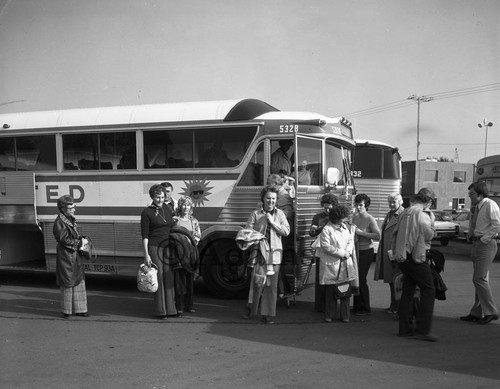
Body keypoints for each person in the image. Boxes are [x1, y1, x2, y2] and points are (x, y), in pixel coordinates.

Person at [392, 187, 438, 341]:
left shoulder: (406, 211)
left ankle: (404, 328)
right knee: (429, 289)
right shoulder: (423, 213)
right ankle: (423, 329)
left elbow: (396, 233)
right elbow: (428, 234)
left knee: (408, 291)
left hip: (402, 255)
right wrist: (433, 225)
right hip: (416, 255)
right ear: (428, 201)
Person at [245, 185, 290, 324]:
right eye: (268, 198)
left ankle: (267, 314)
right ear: (263, 199)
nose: (271, 201)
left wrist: (272, 222)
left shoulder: (280, 214)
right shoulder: (255, 214)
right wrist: (258, 237)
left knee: (271, 285)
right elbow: (247, 231)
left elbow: (286, 231)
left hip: (275, 255)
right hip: (259, 253)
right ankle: (251, 308)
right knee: (258, 282)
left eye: (274, 199)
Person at [460, 181, 500, 324]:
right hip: (477, 243)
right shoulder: (476, 206)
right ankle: (477, 312)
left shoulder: (490, 205)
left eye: (472, 194)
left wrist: (483, 239)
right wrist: (472, 235)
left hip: (486, 244)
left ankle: (491, 312)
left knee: (479, 279)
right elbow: (474, 223)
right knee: (480, 279)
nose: (470, 196)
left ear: (481, 194)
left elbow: (497, 225)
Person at [141, 184, 179, 319]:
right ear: (152, 197)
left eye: (162, 197)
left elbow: (172, 226)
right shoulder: (146, 212)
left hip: (167, 246)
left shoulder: (168, 209)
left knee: (169, 277)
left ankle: (171, 309)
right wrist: (146, 255)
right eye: (158, 197)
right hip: (154, 246)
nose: (160, 199)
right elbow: (145, 235)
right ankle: (161, 311)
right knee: (159, 277)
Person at [316, 204, 357, 323]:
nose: (346, 219)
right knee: (330, 292)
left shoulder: (345, 227)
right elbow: (326, 246)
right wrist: (342, 253)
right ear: (338, 218)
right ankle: (329, 315)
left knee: (345, 291)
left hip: (345, 262)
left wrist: (348, 252)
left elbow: (350, 241)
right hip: (332, 264)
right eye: (344, 217)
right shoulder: (327, 229)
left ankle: (345, 315)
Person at [53, 195, 89, 319]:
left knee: (78, 281)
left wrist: (80, 238)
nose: (74, 209)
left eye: (74, 207)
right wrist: (79, 243)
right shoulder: (59, 222)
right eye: (71, 208)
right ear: (63, 209)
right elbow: (64, 239)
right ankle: (66, 311)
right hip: (66, 256)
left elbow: (72, 235)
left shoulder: (68, 218)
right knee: (68, 283)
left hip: (73, 255)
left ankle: (81, 310)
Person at [374, 192, 405, 314]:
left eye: (394, 202)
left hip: (395, 253)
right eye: (390, 202)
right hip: (388, 252)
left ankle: (397, 306)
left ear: (400, 202)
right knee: (392, 281)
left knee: (397, 280)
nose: (391, 204)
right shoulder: (390, 214)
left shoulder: (402, 214)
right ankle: (393, 304)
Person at [352, 193, 381, 316]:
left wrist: (361, 233)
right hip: (355, 251)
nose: (359, 207)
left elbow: (378, 236)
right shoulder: (354, 218)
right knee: (355, 278)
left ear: (366, 205)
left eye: (361, 205)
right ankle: (357, 306)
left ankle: (365, 307)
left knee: (362, 278)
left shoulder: (370, 219)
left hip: (366, 252)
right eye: (357, 205)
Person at [309, 193, 339, 312]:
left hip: (333, 251)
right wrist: (312, 230)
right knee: (320, 279)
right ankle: (320, 306)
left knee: (332, 279)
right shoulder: (317, 217)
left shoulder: (337, 217)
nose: (327, 210)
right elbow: (312, 234)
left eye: (329, 208)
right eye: (325, 207)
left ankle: (331, 305)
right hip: (321, 251)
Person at [172, 195, 201, 314]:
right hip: (178, 254)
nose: (186, 207)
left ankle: (189, 305)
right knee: (179, 281)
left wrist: (190, 242)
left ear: (191, 207)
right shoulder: (175, 220)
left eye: (188, 205)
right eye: (183, 204)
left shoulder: (194, 221)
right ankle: (179, 306)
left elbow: (198, 236)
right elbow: (172, 235)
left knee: (189, 280)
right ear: (180, 206)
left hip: (190, 253)